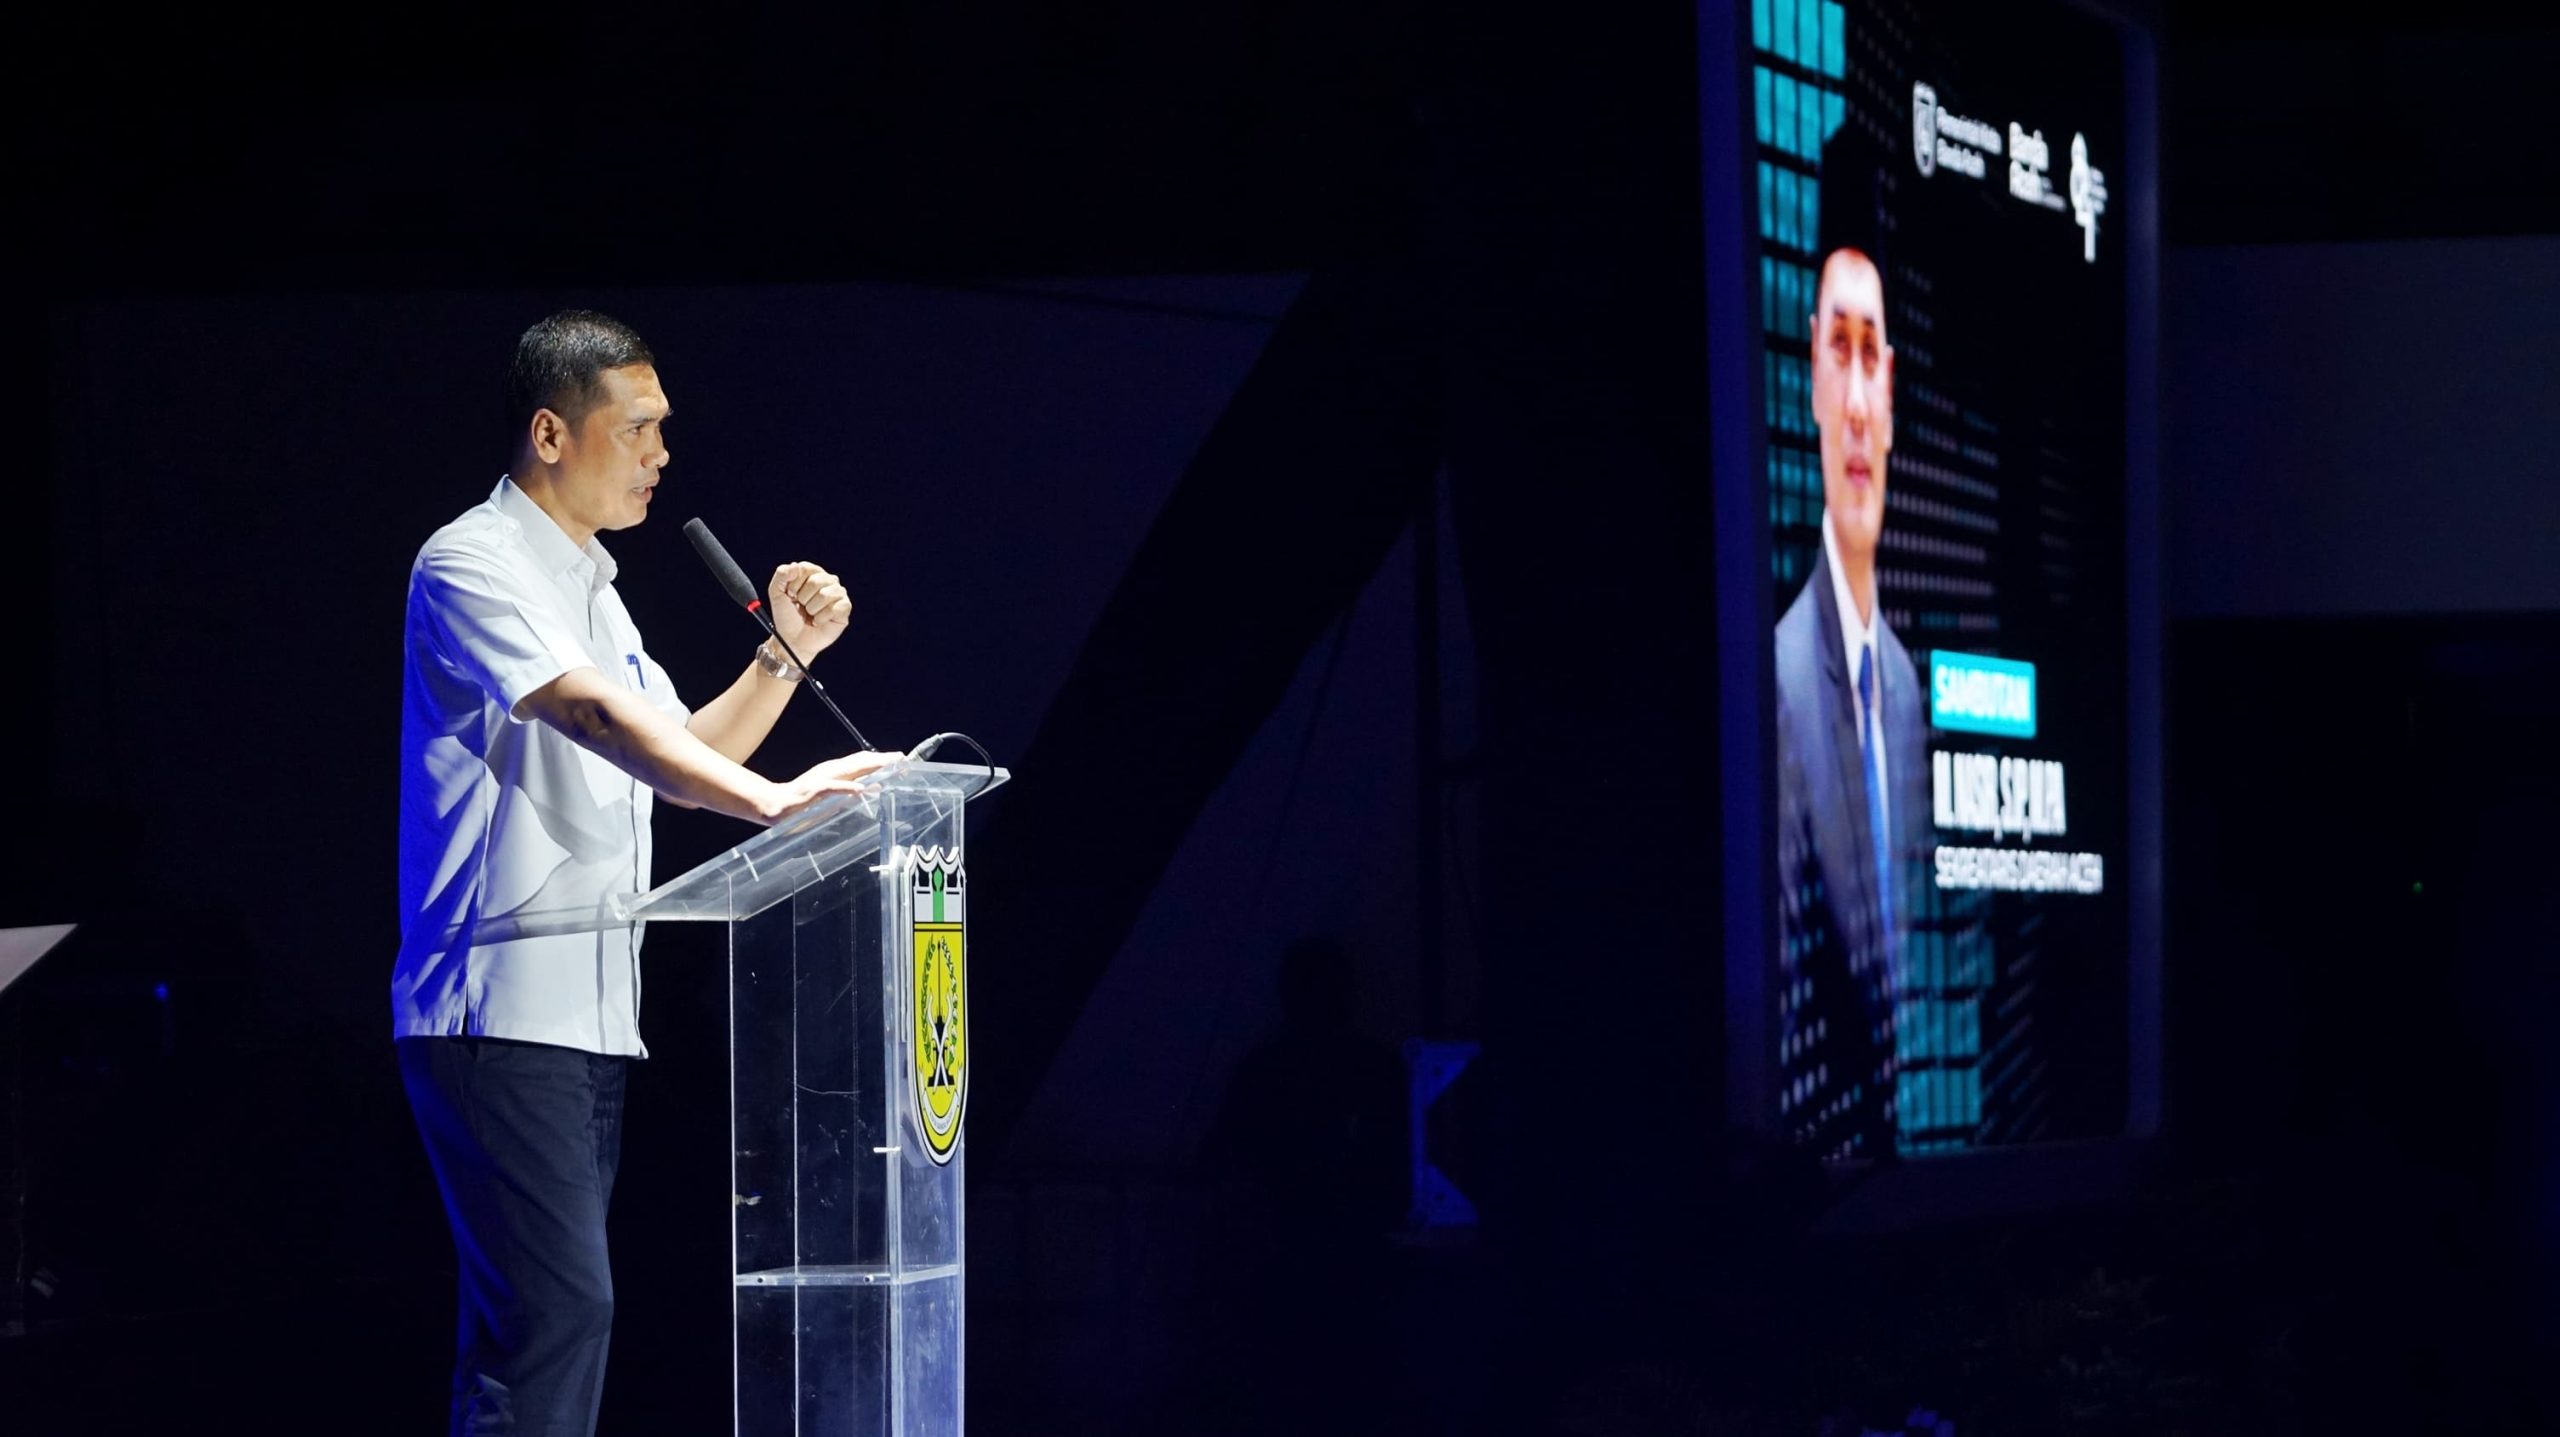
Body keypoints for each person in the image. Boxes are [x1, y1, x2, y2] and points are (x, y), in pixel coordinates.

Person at [393, 310, 896, 1435]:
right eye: (639, 429)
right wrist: (771, 801)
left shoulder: (597, 591)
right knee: (559, 1315)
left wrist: (783, 661)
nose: (662, 454)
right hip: (495, 1009)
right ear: (551, 434)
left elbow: (682, 757)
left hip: (590, 1018)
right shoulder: (471, 560)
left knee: (542, 1329)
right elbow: (593, 714)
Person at [1773, 145, 1931, 1165]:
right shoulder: (1779, 682)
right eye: (1841, 347)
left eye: (1874, 353)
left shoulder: (1906, 689)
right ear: (1811, 381)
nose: (1861, 402)